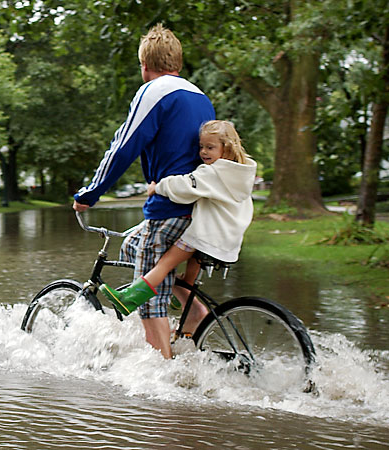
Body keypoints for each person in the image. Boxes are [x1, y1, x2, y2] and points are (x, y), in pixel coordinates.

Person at [72, 24, 215, 359]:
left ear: (144, 65)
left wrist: (89, 194)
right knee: (134, 244)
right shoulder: (200, 96)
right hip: (199, 209)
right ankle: (189, 307)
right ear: (177, 63)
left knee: (149, 303)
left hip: (167, 210)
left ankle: (161, 387)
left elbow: (123, 147)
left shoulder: (154, 91)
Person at [100, 120, 257, 333]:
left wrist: (158, 187)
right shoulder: (240, 174)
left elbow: (184, 185)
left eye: (210, 147)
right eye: (201, 146)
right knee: (186, 281)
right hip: (225, 240)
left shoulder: (214, 173)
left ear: (226, 149)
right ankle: (189, 326)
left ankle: (129, 298)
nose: (203, 152)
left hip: (204, 236)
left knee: (164, 265)